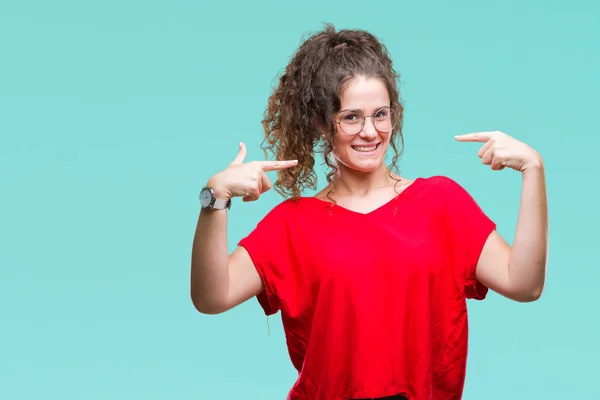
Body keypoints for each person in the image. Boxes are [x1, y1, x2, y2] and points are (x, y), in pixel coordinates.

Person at [190, 23, 548, 400]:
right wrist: (216, 197)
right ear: (320, 123)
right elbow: (211, 296)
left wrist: (533, 170)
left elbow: (524, 283)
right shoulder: (292, 225)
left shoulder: (441, 203)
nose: (370, 131)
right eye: (351, 117)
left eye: (381, 114)